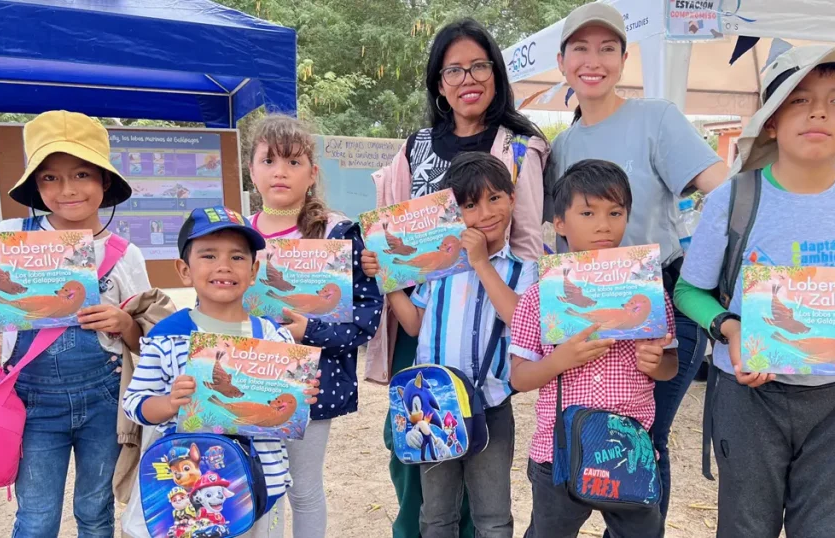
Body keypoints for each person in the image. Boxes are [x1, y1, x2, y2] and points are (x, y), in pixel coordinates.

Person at [676, 42, 835, 536]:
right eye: (799, 98)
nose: (819, 110)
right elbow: (688, 292)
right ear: (772, 119)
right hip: (750, 400)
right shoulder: (734, 198)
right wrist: (730, 328)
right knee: (745, 527)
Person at [542, 3, 728, 518]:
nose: (593, 60)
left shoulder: (657, 118)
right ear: (562, 61)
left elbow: (729, 195)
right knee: (590, 428)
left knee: (646, 436)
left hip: (662, 305)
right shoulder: (559, 148)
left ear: (624, 59)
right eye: (580, 48)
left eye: (607, 49)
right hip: (588, 310)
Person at [366, 17, 548, 538]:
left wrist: (502, 283)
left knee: (487, 472)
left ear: (496, 72)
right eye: (453, 70)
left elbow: (529, 236)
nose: (467, 78)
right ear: (438, 83)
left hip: (490, 325)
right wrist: (389, 272)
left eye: (478, 65)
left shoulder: (519, 145)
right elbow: (391, 226)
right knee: (415, 451)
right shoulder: (417, 144)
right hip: (429, 319)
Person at [0, 110, 151, 537]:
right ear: (36, 186)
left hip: (104, 400)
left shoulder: (125, 254)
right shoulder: (9, 237)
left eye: (81, 174)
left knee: (95, 511)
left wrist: (124, 323)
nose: (67, 190)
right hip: (31, 401)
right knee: (37, 516)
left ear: (104, 181)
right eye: (49, 178)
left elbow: (147, 339)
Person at [363, 152, 537, 538]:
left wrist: (481, 263)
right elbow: (413, 324)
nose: (486, 213)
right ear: (456, 214)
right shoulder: (440, 269)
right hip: (433, 410)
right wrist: (389, 279)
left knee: (492, 516)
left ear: (512, 199)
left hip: (490, 407)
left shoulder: (524, 270)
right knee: (436, 514)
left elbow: (520, 320)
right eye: (471, 205)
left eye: (495, 198)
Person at [122, 206, 321, 537]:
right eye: (209, 256)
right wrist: (170, 403)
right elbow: (136, 403)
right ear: (184, 270)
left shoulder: (273, 335)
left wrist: (301, 396)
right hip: (186, 492)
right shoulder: (166, 334)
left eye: (238, 257)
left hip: (259, 488)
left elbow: (290, 417)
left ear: (255, 269)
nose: (224, 266)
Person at [509, 159, 677, 538]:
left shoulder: (648, 292)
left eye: (615, 212)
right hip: (559, 455)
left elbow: (670, 366)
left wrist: (658, 362)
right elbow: (519, 378)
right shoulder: (539, 297)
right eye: (588, 212)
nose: (604, 224)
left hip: (629, 450)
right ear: (561, 222)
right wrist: (559, 360)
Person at [246, 114, 383, 537]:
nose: (280, 171)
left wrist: (311, 332)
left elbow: (364, 320)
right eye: (268, 160)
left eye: (293, 161)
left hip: (310, 385)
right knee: (257, 486)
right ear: (251, 169)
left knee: (302, 490)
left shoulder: (337, 233)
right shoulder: (235, 233)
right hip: (247, 378)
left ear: (313, 173)